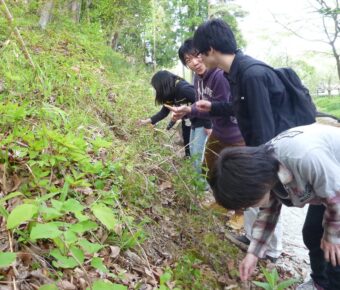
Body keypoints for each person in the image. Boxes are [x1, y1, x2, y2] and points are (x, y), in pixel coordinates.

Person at [192, 18, 316, 258]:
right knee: (256, 197)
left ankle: (271, 250)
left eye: (200, 53)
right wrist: (214, 107)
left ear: (211, 49)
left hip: (279, 147)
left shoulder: (252, 74)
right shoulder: (236, 73)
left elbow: (264, 127)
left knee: (272, 195)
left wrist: (257, 166)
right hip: (261, 145)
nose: (198, 60)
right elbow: (239, 107)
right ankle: (252, 238)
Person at [210, 123, 340, 290]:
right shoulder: (262, 169)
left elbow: (336, 198)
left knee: (335, 248)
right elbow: (268, 214)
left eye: (249, 204)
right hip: (328, 186)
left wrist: (332, 237)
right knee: (312, 233)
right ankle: (320, 282)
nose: (251, 208)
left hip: (335, 187)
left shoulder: (304, 157)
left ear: (257, 186)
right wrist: (253, 254)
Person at [139, 70, 211, 161]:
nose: (157, 91)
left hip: (202, 120)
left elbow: (203, 103)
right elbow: (164, 112)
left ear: (162, 85)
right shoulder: (170, 94)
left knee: (198, 153)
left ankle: (200, 172)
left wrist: (208, 125)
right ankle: (189, 163)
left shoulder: (183, 89)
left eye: (157, 88)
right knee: (189, 147)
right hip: (189, 121)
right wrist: (146, 121)